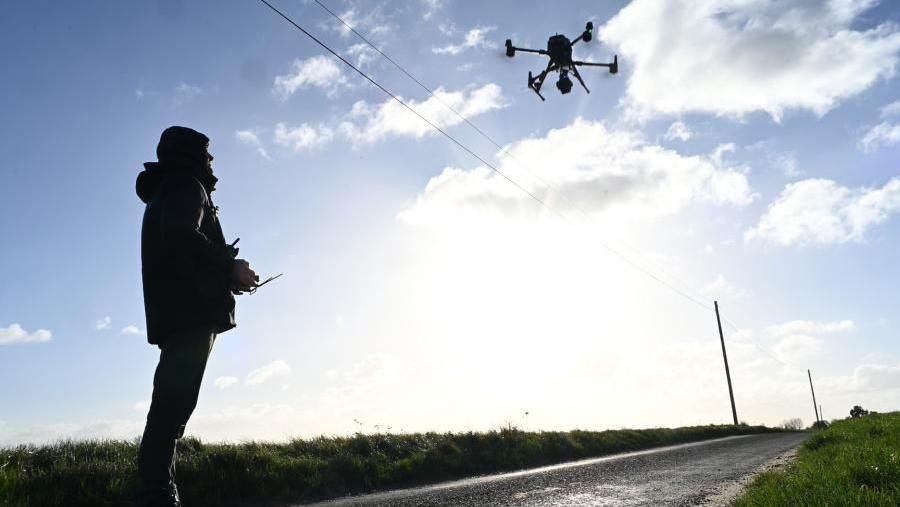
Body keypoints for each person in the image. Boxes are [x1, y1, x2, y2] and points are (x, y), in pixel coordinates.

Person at [134, 126, 258, 506]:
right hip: (190, 313)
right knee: (173, 406)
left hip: (176, 311)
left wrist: (223, 274)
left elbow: (179, 245)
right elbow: (181, 236)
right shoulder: (188, 186)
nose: (212, 161)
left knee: (171, 405)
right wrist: (230, 266)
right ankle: (157, 495)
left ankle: (156, 492)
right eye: (207, 153)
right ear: (192, 156)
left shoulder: (169, 189)